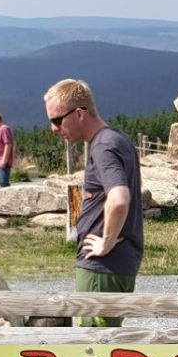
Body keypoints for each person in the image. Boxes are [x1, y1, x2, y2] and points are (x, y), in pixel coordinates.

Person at [43, 77, 142, 327]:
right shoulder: (116, 139)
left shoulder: (103, 147)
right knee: (105, 339)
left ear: (79, 113)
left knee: (94, 343)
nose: (53, 128)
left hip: (101, 267)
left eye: (57, 120)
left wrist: (106, 243)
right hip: (113, 266)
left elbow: (119, 199)